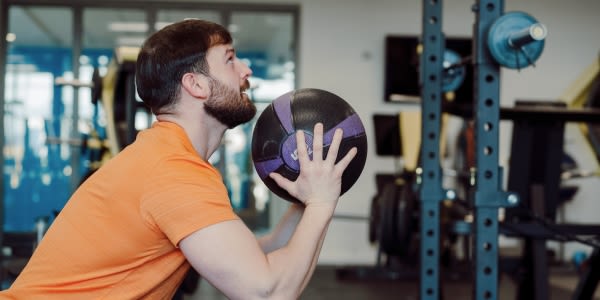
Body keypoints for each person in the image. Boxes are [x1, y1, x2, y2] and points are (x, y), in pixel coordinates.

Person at [0, 19, 357, 299]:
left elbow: (253, 255)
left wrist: (307, 198)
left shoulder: (167, 157)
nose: (246, 70)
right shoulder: (173, 172)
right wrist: (322, 203)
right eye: (231, 59)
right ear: (196, 85)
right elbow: (267, 291)